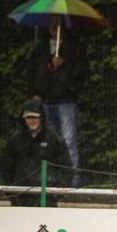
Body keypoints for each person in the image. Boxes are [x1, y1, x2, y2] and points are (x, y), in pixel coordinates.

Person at [29, 17, 88, 186]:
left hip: (66, 101)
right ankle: (51, 180)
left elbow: (82, 71)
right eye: (52, 25)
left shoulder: (73, 47)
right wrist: (33, 92)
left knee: (69, 141)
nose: (55, 29)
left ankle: (72, 181)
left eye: (58, 25)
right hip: (45, 100)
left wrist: (64, 63)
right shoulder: (41, 48)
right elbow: (31, 71)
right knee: (48, 142)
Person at [1, 100, 72, 207]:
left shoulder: (54, 139)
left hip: (47, 196)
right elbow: (7, 168)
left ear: (41, 118)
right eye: (28, 117)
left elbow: (66, 167)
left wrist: (58, 192)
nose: (32, 121)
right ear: (23, 119)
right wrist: (11, 192)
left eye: (35, 117)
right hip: (20, 196)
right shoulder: (15, 140)